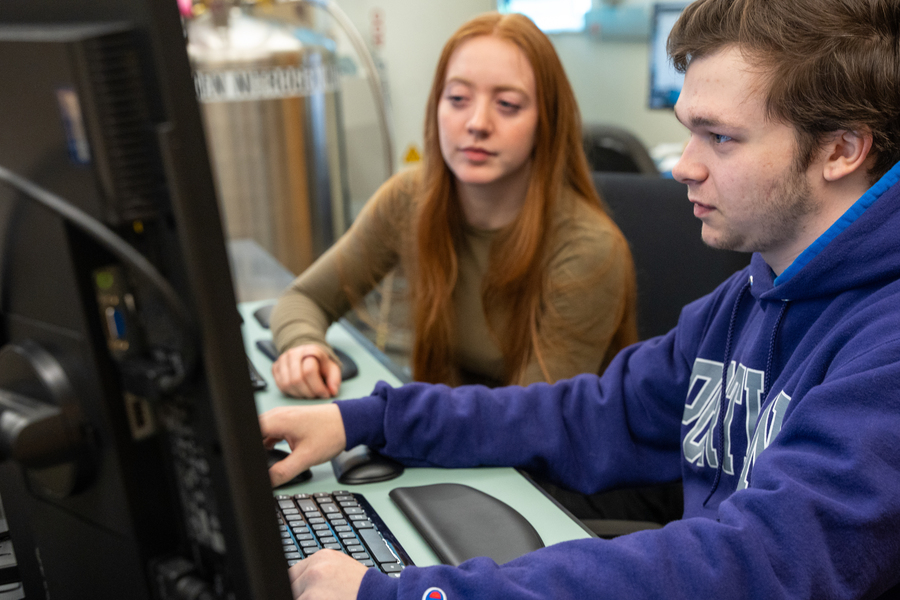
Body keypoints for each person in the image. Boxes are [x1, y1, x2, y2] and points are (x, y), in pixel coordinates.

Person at [259, 0, 900, 598]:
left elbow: (759, 560)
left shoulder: (884, 346)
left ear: (841, 149)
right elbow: (588, 414)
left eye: (720, 137)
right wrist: (368, 421)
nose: (682, 165)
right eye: (688, 131)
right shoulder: (749, 296)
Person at [268, 12, 638, 398]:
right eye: (458, 99)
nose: (477, 122)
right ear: (436, 107)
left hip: (531, 448)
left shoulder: (589, 248)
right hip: (450, 435)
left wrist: (375, 420)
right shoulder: (409, 198)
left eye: (508, 104)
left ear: (546, 122)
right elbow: (303, 299)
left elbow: (529, 422)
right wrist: (303, 348)